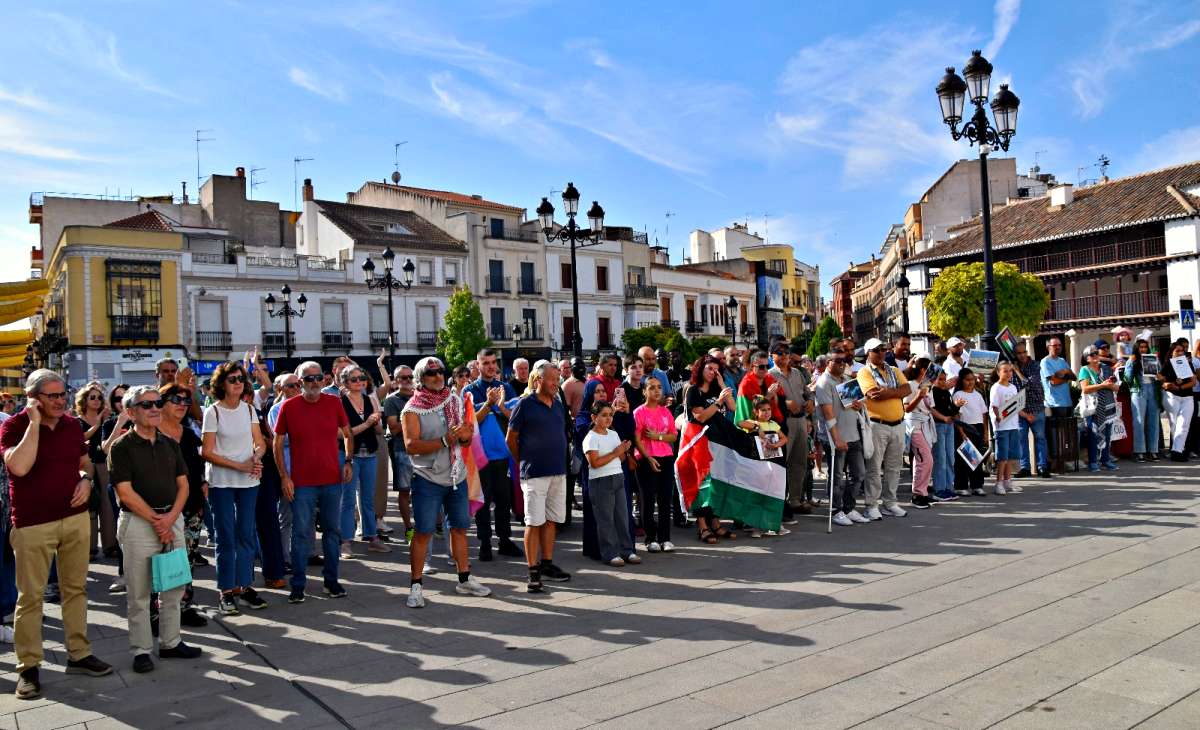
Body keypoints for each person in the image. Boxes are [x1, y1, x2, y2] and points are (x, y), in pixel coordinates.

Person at [2, 370, 112, 699]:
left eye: (63, 394)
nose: (61, 401)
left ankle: (78, 654)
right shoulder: (14, 426)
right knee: (31, 597)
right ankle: (29, 667)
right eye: (52, 396)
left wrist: (85, 479)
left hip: (74, 519)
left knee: (75, 590)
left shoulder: (69, 426)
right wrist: (34, 423)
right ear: (33, 397)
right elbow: (18, 467)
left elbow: (85, 463)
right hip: (33, 523)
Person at [108, 385, 203, 673]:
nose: (154, 408)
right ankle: (141, 650)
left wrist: (170, 519)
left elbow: (184, 485)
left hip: (170, 520)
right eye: (146, 404)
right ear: (130, 412)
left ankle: (171, 642)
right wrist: (156, 521)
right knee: (139, 591)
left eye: (157, 403)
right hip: (139, 523)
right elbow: (125, 493)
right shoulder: (121, 447)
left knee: (173, 586)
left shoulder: (169, 443)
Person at [401, 357, 491, 608]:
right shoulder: (412, 408)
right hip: (428, 479)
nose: (438, 376)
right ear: (421, 378)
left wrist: (464, 437)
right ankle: (416, 586)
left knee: (460, 528)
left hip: (456, 475)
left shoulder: (452, 400)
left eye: (440, 372)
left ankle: (464, 579)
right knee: (423, 532)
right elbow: (411, 446)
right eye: (431, 373)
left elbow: (463, 436)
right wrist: (444, 441)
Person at [273, 362, 354, 604]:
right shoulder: (288, 407)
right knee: (300, 535)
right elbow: (277, 444)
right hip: (302, 483)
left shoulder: (334, 403)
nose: (315, 382)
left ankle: (331, 581)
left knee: (332, 533)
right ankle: (298, 585)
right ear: (299, 383)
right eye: (309, 379)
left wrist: (348, 461)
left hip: (331, 480)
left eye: (319, 377)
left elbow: (348, 433)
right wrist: (284, 477)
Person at [201, 362, 267, 615]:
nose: (238, 383)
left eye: (240, 379)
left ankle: (244, 585)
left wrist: (256, 459)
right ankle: (226, 590)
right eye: (232, 379)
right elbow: (207, 452)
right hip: (222, 483)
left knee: (246, 535)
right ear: (222, 384)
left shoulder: (249, 410)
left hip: (249, 481)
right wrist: (238, 466)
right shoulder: (213, 412)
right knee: (226, 536)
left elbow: (260, 443)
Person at [507, 360, 572, 592]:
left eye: (558, 379)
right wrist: (524, 461)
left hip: (557, 471)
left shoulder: (556, 404)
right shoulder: (525, 404)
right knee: (533, 522)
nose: (556, 383)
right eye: (553, 379)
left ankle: (547, 563)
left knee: (551, 520)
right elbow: (511, 439)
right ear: (539, 380)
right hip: (534, 473)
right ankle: (532, 571)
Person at [157, 383, 210, 624]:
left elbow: (197, 466)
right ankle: (158, 611)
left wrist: (203, 485)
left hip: (191, 505)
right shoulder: (152, 432)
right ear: (162, 402)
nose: (182, 405)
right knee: (161, 560)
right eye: (175, 400)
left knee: (186, 558)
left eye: (185, 401)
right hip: (162, 507)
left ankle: (184, 605)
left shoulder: (188, 434)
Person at [463, 349, 521, 562]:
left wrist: (502, 406)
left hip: (503, 455)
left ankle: (505, 540)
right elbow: (469, 422)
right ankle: (485, 543)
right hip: (480, 456)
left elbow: (515, 417)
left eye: (492, 362)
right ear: (477, 365)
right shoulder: (469, 391)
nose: (489, 366)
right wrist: (488, 405)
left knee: (504, 500)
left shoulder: (506, 388)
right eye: (484, 362)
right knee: (483, 502)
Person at [684, 356, 739, 543]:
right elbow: (700, 417)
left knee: (719, 482)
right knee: (702, 484)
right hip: (701, 443)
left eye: (716, 369)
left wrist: (723, 386)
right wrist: (717, 403)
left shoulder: (718, 389)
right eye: (709, 368)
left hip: (721, 442)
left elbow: (733, 407)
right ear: (700, 369)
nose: (712, 372)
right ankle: (702, 526)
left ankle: (716, 522)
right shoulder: (693, 391)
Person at [338, 366, 389, 557]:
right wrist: (367, 423)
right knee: (348, 500)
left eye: (362, 378)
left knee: (368, 499)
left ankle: (372, 537)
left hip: (370, 454)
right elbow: (341, 433)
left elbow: (378, 431)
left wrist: (376, 422)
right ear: (345, 383)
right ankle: (345, 542)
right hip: (350, 456)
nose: (359, 381)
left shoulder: (368, 399)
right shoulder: (340, 403)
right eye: (354, 379)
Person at [856, 338, 909, 519]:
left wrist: (887, 392)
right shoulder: (864, 372)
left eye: (883, 349)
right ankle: (871, 504)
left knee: (894, 467)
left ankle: (890, 502)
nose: (881, 352)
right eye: (877, 350)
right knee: (874, 468)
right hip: (877, 425)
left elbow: (907, 389)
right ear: (868, 353)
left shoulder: (893, 370)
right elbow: (872, 394)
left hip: (898, 424)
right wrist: (895, 392)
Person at [582, 401, 640, 566]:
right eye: (604, 415)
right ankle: (609, 553)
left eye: (610, 415)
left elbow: (621, 458)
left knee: (622, 517)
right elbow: (594, 463)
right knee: (605, 519)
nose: (608, 419)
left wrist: (623, 450)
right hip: (600, 481)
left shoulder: (613, 434)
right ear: (594, 417)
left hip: (618, 477)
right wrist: (617, 452)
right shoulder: (590, 438)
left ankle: (627, 551)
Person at [815, 349, 869, 525]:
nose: (841, 363)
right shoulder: (824, 383)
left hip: (853, 433)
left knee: (859, 474)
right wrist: (837, 438)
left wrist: (858, 404)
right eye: (837, 360)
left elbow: (861, 403)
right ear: (828, 362)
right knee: (837, 476)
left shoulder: (847, 380)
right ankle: (836, 510)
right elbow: (827, 413)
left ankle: (849, 508)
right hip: (836, 436)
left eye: (844, 361)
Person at [632, 377, 677, 552]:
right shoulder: (638, 412)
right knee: (648, 500)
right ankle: (650, 538)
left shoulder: (666, 412)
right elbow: (636, 439)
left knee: (665, 499)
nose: (657, 391)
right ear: (644, 391)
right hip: (645, 459)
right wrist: (648, 458)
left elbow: (673, 435)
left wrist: (658, 436)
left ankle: (665, 538)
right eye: (652, 388)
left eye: (659, 387)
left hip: (666, 457)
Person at [737, 396, 789, 536]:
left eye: (769, 409)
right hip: (756, 466)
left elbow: (784, 438)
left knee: (772, 493)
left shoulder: (773, 424)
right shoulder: (752, 423)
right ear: (756, 411)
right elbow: (739, 423)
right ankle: (755, 526)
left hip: (773, 465)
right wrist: (756, 425)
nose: (767, 413)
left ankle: (773, 524)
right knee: (757, 494)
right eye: (763, 410)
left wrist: (776, 444)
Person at [770, 344, 813, 515]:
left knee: (799, 461)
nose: (784, 356)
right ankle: (778, 501)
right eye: (779, 353)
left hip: (801, 420)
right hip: (782, 423)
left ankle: (794, 500)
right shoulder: (769, 375)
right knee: (780, 463)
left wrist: (810, 400)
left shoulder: (797, 373)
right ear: (771, 355)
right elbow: (762, 400)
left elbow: (807, 391)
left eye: (786, 353)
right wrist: (784, 403)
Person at [384, 366, 416, 542]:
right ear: (395, 381)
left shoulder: (421, 396)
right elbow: (394, 428)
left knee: (426, 491)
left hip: (424, 450)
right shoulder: (391, 401)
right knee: (405, 491)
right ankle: (408, 528)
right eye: (403, 378)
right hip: (402, 450)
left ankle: (434, 525)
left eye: (410, 377)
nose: (407, 380)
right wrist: (412, 415)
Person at [1079, 349, 1119, 472]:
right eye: (1092, 354)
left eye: (1096, 353)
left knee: (1107, 435)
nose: (1096, 356)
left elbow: (1116, 387)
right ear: (1087, 358)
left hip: (1108, 406)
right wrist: (1103, 385)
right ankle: (1093, 462)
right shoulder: (1084, 370)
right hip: (1094, 408)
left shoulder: (1106, 368)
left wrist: (1109, 385)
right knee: (1093, 435)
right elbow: (1085, 389)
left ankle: (1106, 460)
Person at [1123, 339, 1162, 462]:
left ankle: (1153, 450)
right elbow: (1127, 379)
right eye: (1141, 347)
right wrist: (1132, 363)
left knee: (1154, 421)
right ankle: (1139, 451)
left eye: (1145, 347)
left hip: (1152, 391)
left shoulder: (1152, 358)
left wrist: (1158, 374)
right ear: (1137, 348)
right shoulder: (1131, 360)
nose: (1143, 349)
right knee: (1139, 421)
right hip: (1138, 391)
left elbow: (1159, 376)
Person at [903, 358, 935, 509]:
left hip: (926, 424)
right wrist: (919, 396)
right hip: (915, 425)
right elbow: (907, 408)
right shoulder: (910, 385)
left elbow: (930, 407)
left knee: (923, 460)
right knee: (925, 459)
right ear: (923, 370)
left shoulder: (928, 386)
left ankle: (922, 492)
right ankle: (917, 494)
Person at [1014, 343, 1049, 478]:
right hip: (1020, 409)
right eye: (1019, 353)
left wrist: (1017, 371)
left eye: (1024, 352)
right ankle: (1025, 467)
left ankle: (1042, 467)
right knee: (1021, 438)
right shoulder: (1012, 366)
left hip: (1036, 407)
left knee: (1040, 438)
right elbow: (1015, 388)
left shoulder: (1035, 365)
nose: (1022, 355)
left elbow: (1030, 384)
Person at [953, 368, 988, 496]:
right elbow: (956, 416)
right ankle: (960, 486)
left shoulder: (978, 395)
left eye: (972, 379)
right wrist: (962, 433)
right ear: (961, 381)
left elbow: (984, 414)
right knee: (963, 459)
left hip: (977, 428)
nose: (970, 382)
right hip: (964, 428)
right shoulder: (958, 395)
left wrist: (985, 432)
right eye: (967, 380)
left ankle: (977, 485)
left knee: (976, 458)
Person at [928, 367, 961, 502]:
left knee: (949, 457)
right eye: (939, 379)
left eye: (944, 379)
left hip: (949, 426)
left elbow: (950, 410)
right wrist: (943, 418)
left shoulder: (946, 393)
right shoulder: (932, 392)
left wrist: (956, 407)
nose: (942, 382)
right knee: (940, 458)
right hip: (938, 426)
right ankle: (939, 489)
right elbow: (931, 409)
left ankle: (948, 487)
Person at [990, 362, 1022, 495]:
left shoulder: (1013, 387)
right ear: (998, 372)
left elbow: (1016, 405)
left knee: (1009, 456)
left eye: (1010, 371)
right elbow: (994, 406)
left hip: (1013, 425)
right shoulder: (996, 388)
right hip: (1002, 427)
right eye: (1005, 371)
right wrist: (999, 418)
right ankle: (999, 483)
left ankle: (1008, 481)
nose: (1008, 373)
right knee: (1002, 457)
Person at [1161, 342, 1196, 461]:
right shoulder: (1167, 364)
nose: (1180, 353)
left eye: (1182, 351)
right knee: (1175, 425)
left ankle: (1177, 451)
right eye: (1177, 351)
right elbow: (1160, 377)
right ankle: (1178, 451)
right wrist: (1165, 383)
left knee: (1184, 424)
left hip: (1187, 397)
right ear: (1172, 353)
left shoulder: (1187, 363)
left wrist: (1180, 387)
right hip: (1172, 397)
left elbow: (1193, 382)